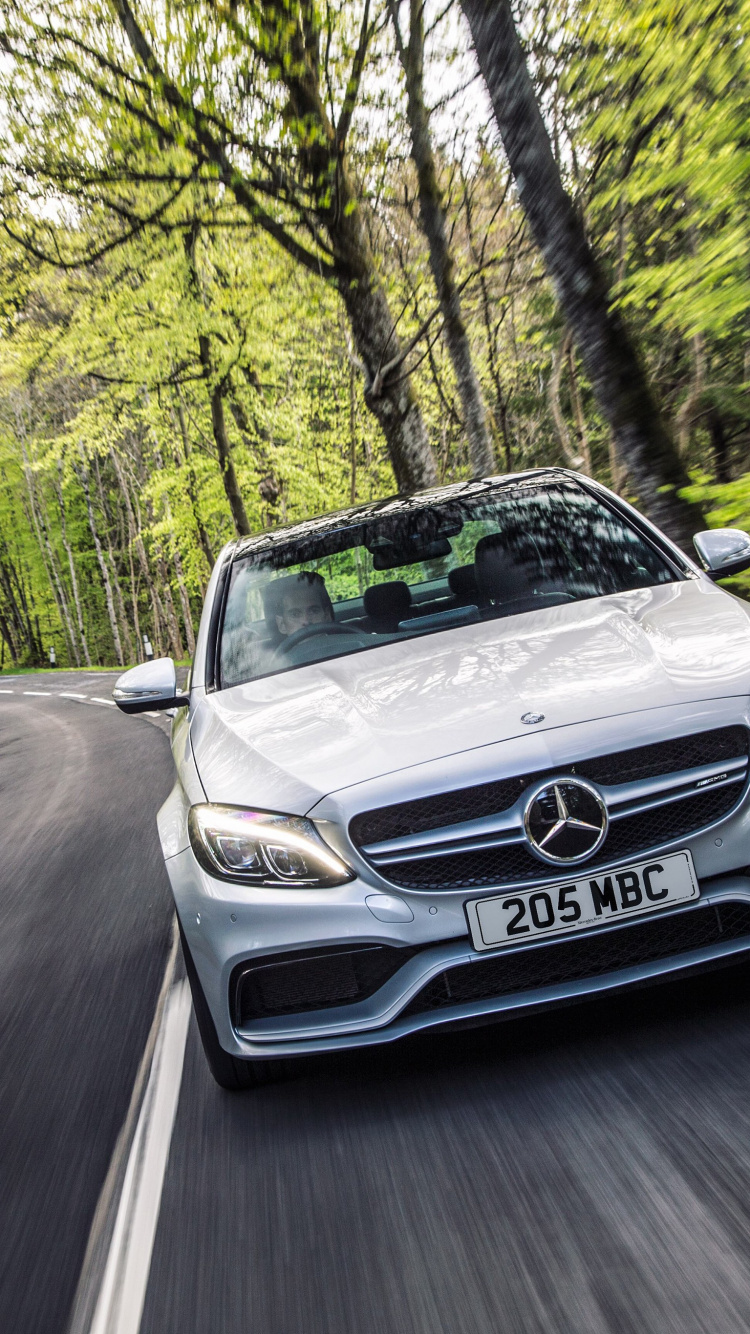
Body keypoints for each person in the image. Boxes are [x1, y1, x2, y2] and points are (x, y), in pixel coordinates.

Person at [263, 571, 335, 642]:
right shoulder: (273, 654)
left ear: (327, 616)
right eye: (295, 614)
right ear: (282, 624)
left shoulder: (345, 645)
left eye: (314, 611)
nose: (306, 621)